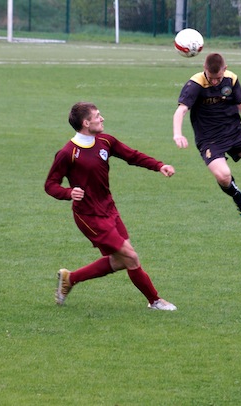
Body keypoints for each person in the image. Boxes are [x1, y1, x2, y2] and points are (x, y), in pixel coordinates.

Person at [45, 102, 177, 311]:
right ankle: (155, 301)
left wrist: (159, 165)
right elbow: (50, 185)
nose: (102, 118)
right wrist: (68, 193)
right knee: (131, 257)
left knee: (121, 260)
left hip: (109, 209)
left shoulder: (106, 141)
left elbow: (132, 155)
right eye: (98, 116)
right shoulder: (68, 153)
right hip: (88, 216)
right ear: (86, 123)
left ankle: (70, 278)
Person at [172, 52, 241, 220]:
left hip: (235, 134)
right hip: (210, 141)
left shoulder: (231, 79)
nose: (215, 81)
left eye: (218, 78)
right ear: (204, 69)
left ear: (225, 69)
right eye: (211, 77)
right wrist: (177, 134)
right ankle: (238, 198)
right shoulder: (195, 84)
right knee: (223, 176)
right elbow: (181, 110)